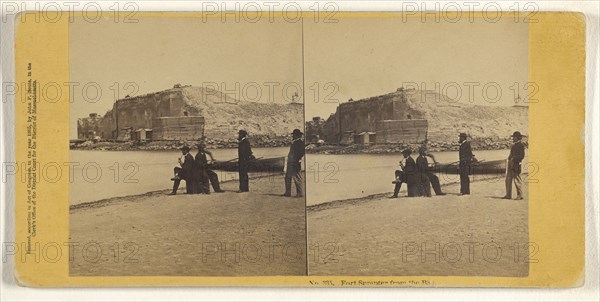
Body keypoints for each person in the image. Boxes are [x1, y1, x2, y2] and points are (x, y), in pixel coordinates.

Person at [502, 131, 525, 200]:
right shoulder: (514, 145)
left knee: (517, 179)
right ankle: (508, 195)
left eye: (514, 137)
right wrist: (509, 159)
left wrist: (513, 159)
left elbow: (521, 156)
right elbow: (511, 154)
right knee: (508, 179)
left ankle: (520, 195)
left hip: (516, 164)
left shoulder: (521, 145)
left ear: (517, 138)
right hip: (511, 163)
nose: (513, 138)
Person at [283, 129, 305, 197]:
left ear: (296, 135)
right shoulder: (295, 142)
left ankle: (299, 193)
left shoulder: (299, 142)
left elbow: (302, 152)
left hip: (295, 162)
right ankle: (288, 192)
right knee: (288, 177)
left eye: (294, 135)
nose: (293, 136)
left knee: (296, 177)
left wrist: (298, 159)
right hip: (291, 162)